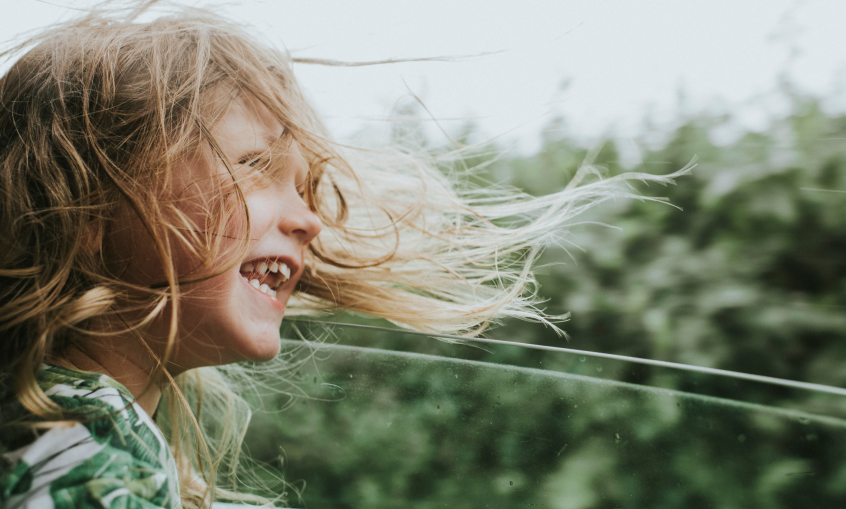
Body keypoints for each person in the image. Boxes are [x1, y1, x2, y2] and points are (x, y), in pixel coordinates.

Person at [0, 2, 692, 508]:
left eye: (305, 186)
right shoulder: (86, 460)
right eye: (255, 167)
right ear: (87, 209)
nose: (307, 218)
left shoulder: (80, 430)